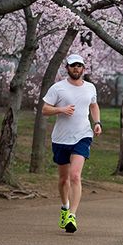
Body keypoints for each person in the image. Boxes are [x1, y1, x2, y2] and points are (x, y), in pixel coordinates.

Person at [42, 54, 102, 233]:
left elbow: (93, 105)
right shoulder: (58, 88)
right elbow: (45, 109)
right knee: (63, 180)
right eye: (73, 65)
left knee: (75, 175)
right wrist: (61, 109)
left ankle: (72, 216)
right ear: (67, 68)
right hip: (60, 139)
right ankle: (65, 207)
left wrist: (97, 122)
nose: (76, 68)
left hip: (83, 135)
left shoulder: (90, 87)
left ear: (83, 68)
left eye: (79, 65)